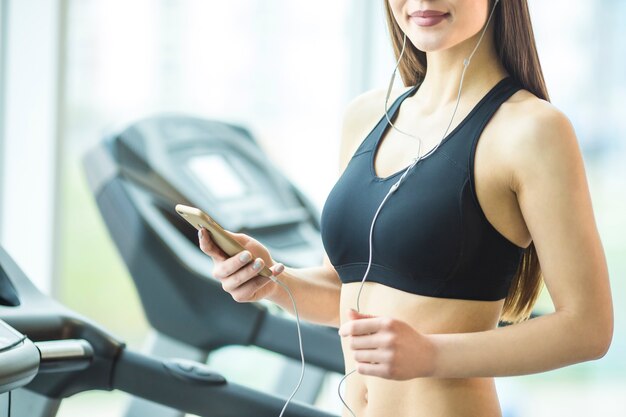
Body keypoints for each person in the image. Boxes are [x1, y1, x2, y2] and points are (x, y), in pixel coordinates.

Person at [198, 1, 614, 416]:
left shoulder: (531, 130)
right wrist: (272, 282)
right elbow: (346, 292)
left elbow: (587, 329)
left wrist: (430, 354)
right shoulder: (365, 116)